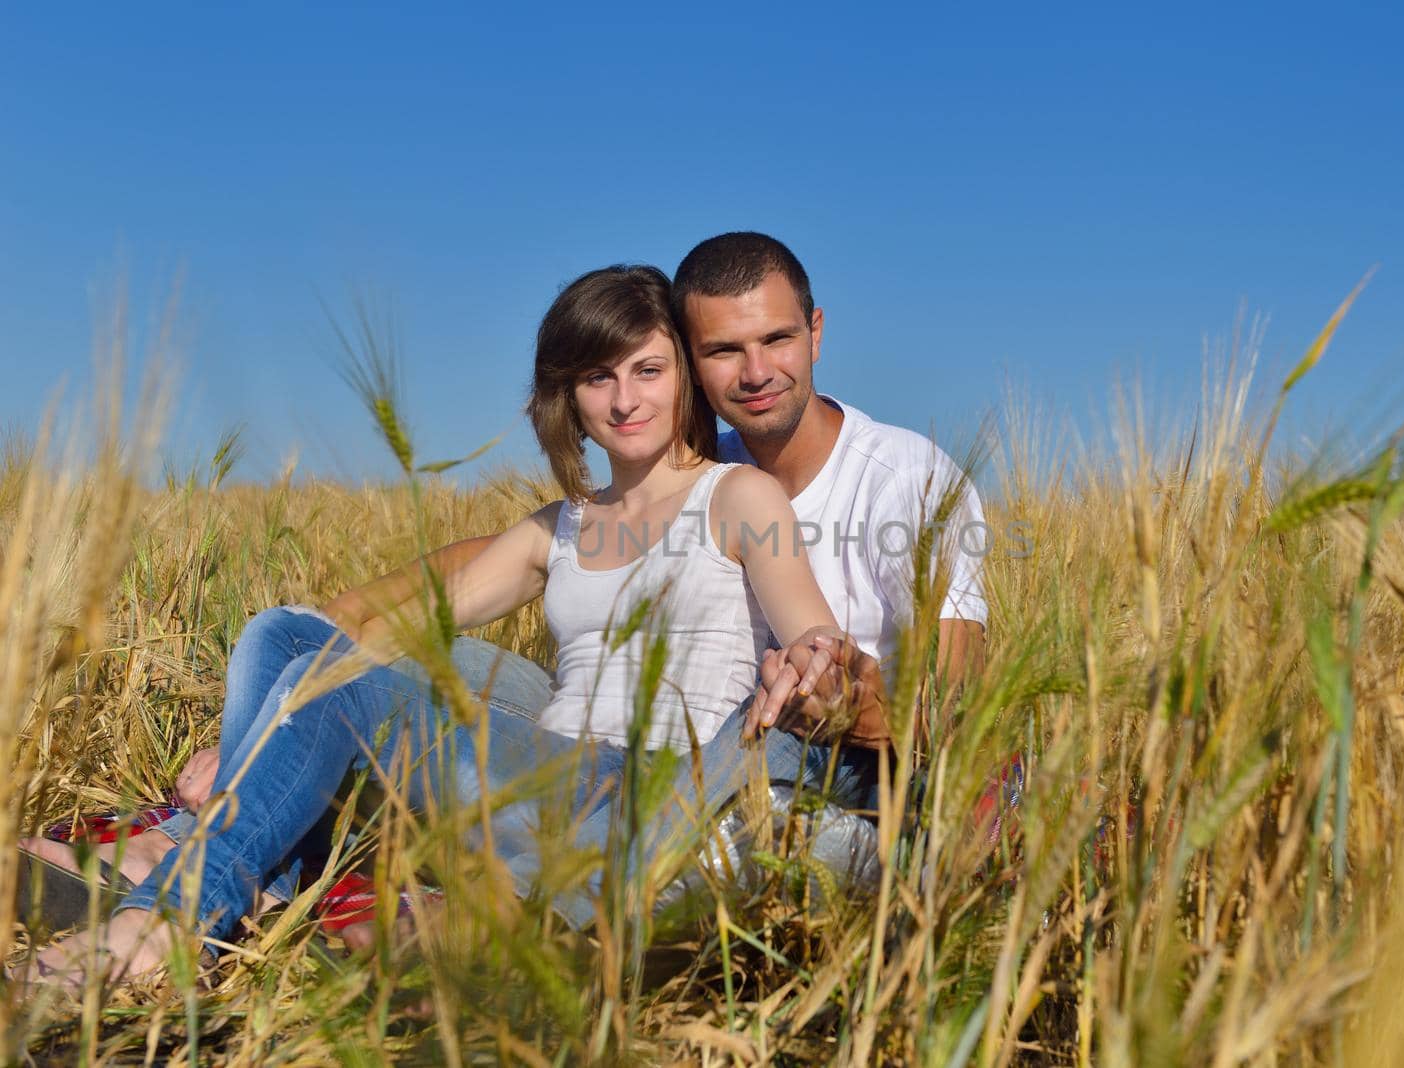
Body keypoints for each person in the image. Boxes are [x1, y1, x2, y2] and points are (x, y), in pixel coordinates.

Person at [22, 263, 850, 982]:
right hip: (522, 779)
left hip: (649, 786)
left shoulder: (736, 496)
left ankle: (174, 911)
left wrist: (814, 660)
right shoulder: (558, 527)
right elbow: (390, 632)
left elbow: (807, 623)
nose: (625, 399)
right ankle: (233, 866)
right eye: (599, 377)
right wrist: (271, 713)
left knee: (338, 689)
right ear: (568, 391)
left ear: (683, 379)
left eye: (648, 369)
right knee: (284, 634)